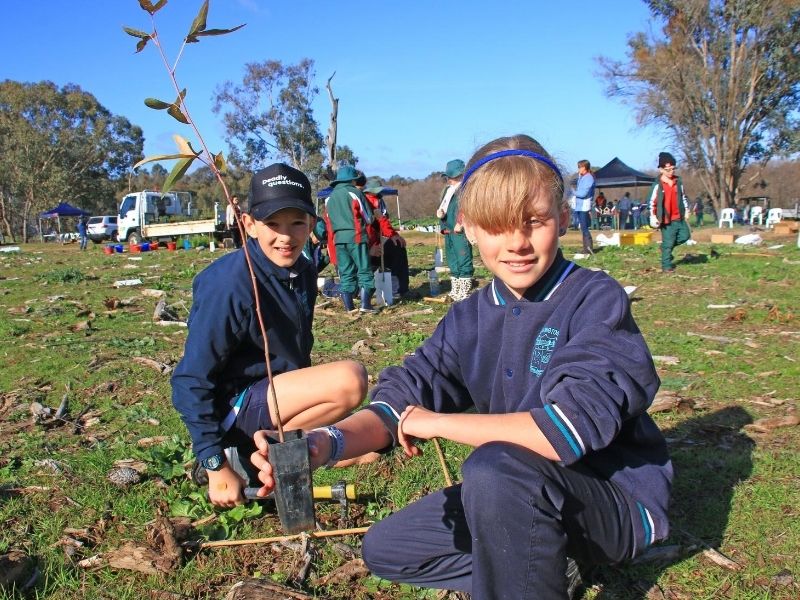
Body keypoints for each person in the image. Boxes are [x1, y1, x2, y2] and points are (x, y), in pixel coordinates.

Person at [251, 134, 672, 599]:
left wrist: (437, 423)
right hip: (516, 492)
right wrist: (322, 444)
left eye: (534, 222)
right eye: (495, 227)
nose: (517, 244)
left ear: (564, 218)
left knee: (494, 468)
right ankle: (545, 564)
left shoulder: (594, 299)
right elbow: (399, 401)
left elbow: (565, 430)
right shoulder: (469, 317)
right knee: (388, 549)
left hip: (608, 502)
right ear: (468, 227)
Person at [171, 163, 367, 507]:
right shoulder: (229, 284)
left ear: (311, 223)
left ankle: (272, 453)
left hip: (271, 394)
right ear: (249, 224)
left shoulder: (302, 270)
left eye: (296, 223)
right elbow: (190, 379)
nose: (285, 236)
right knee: (350, 379)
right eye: (272, 224)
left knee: (361, 437)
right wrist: (213, 462)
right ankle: (242, 454)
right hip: (234, 407)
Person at [326, 165, 377, 313]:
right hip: (356, 236)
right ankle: (366, 305)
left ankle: (349, 307)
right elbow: (368, 218)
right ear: (352, 180)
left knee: (346, 272)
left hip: (338, 239)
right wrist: (376, 216)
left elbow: (329, 220)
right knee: (364, 269)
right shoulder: (354, 193)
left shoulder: (329, 197)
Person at [362, 176, 413, 299]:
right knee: (353, 287)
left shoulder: (378, 202)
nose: (378, 195)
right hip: (361, 250)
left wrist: (393, 235)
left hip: (375, 247)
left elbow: (383, 222)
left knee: (397, 247)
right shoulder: (362, 203)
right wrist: (368, 250)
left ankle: (398, 289)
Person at [436, 159, 474, 302]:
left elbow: (466, 208)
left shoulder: (465, 188)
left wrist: (460, 222)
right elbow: (444, 205)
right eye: (448, 176)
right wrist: (440, 212)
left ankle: (464, 290)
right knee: (452, 259)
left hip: (459, 230)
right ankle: (455, 289)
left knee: (463, 257)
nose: (449, 179)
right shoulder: (447, 190)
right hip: (448, 229)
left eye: (451, 176)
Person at [648, 152, 691, 273]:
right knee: (668, 241)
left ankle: (664, 249)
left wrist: (686, 210)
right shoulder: (657, 185)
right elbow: (651, 202)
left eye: (672, 169)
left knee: (685, 236)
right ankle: (666, 266)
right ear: (661, 169)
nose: (670, 172)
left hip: (679, 217)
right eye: (667, 170)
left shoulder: (678, 182)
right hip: (666, 219)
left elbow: (683, 197)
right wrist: (652, 216)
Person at [572, 159, 595, 253]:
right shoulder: (582, 177)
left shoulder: (589, 178)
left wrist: (572, 192)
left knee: (585, 228)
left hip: (584, 206)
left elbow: (583, 194)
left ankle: (589, 248)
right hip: (578, 206)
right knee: (582, 228)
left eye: (579, 167)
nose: (578, 169)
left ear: (584, 167)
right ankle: (585, 248)